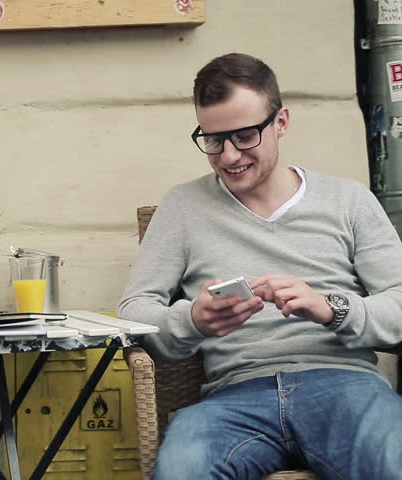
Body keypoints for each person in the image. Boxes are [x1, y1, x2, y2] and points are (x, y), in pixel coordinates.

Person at [118, 53, 402, 479]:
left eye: (244, 136)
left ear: (281, 122)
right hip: (234, 398)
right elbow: (133, 315)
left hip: (346, 387)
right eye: (213, 140)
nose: (229, 156)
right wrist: (192, 320)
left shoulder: (349, 201)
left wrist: (332, 308)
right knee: (183, 468)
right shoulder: (182, 207)